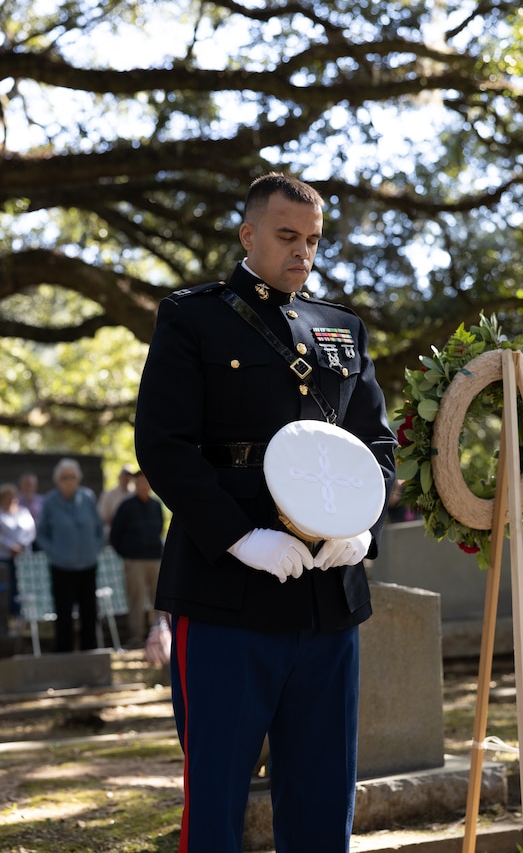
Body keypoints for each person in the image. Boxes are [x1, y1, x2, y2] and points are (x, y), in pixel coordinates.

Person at [135, 172, 397, 853]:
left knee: (322, 793)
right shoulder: (193, 316)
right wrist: (238, 537)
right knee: (218, 795)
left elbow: (376, 442)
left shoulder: (343, 329)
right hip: (228, 592)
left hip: (327, 598)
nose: (302, 251)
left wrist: (363, 528)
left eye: (312, 239)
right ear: (249, 234)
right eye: (287, 236)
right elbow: (163, 445)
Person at [36, 458, 104, 653]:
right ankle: (64, 650)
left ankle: (89, 649)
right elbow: (41, 534)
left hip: (88, 564)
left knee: (89, 610)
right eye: (65, 477)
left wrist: (95, 548)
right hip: (62, 566)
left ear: (78, 479)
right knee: (64, 611)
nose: (69, 481)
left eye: (72, 477)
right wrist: (54, 552)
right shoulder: (50, 501)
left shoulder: (88, 497)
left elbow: (99, 528)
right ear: (58, 480)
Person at [110, 469, 164, 648]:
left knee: (159, 599)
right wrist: (127, 555)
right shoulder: (126, 506)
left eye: (147, 481)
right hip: (134, 560)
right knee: (136, 599)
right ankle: (136, 637)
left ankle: (159, 635)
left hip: (155, 559)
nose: (144, 485)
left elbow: (160, 530)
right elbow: (115, 536)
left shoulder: (156, 505)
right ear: (135, 483)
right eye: (141, 481)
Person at [0, 483, 36, 623]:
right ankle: (9, 616)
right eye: (7, 497)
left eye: (13, 496)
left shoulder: (23, 512)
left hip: (23, 557)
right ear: (1, 498)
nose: (11, 499)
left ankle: (25, 615)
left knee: (24, 584)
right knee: (8, 586)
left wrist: (22, 545)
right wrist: (11, 546)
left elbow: (31, 531)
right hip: (4, 557)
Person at [98, 465, 134, 544]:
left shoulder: (134, 494)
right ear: (119, 477)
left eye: (129, 476)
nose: (126, 479)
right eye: (125, 476)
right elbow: (102, 515)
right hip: (111, 529)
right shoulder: (108, 494)